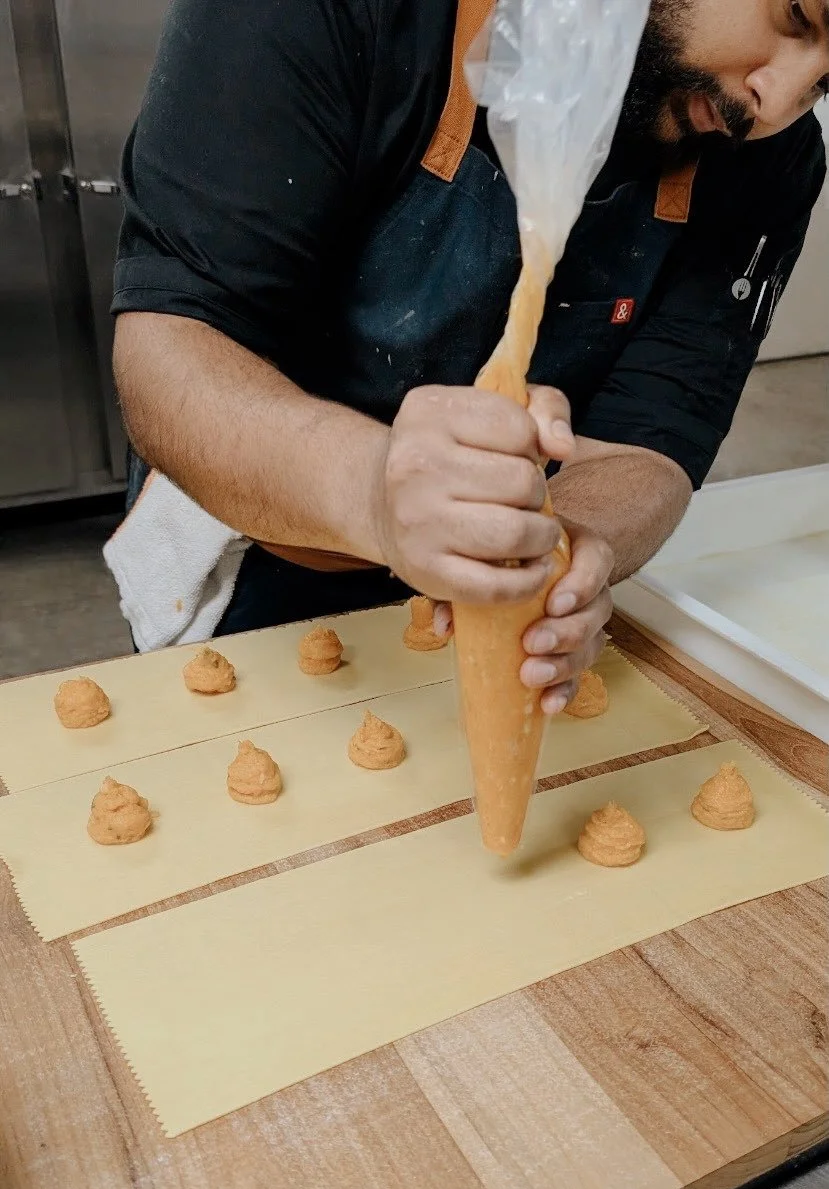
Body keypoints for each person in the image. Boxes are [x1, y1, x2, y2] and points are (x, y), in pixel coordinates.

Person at [111, 0, 827, 710]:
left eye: (825, 84)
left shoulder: (767, 157)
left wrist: (554, 561)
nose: (774, 103)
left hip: (500, 612)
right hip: (262, 557)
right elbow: (170, 346)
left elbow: (650, 437)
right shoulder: (321, 17)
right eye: (796, 16)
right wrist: (373, 491)